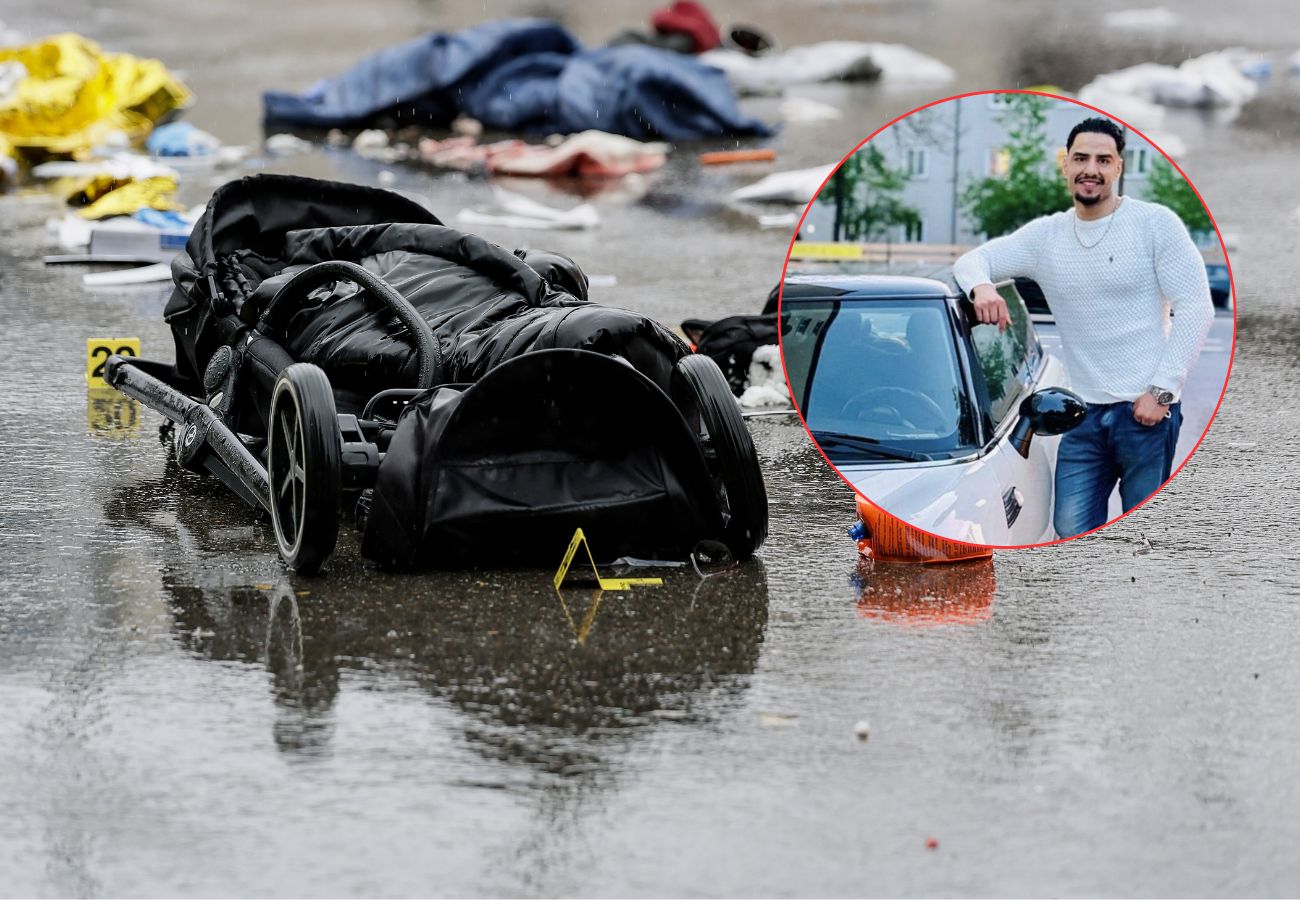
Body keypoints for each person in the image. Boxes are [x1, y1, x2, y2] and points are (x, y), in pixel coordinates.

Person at [952, 116, 1214, 538]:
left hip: (1145, 414)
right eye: (1080, 158)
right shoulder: (1046, 237)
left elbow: (1196, 306)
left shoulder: (1154, 224)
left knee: (1142, 537)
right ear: (1066, 166)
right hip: (1082, 417)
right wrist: (982, 288)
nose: (1090, 168)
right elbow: (971, 261)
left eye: (1102, 159)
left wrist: (1162, 391)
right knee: (1071, 530)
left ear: (1118, 168)